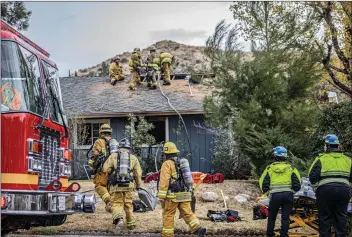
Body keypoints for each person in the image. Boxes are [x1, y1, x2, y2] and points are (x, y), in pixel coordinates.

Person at [157, 142, 206, 237]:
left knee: (168, 215)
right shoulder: (182, 162)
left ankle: (167, 235)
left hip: (173, 196)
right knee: (187, 213)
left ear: (166, 154)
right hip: (185, 194)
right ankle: (198, 228)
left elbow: (164, 181)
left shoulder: (166, 164)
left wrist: (162, 196)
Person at [309, 134, 352, 237]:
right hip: (343, 191)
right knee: (341, 218)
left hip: (325, 191)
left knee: (325, 219)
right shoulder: (348, 160)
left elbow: (312, 177)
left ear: (327, 146)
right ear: (337, 145)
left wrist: (317, 186)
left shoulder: (321, 158)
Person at [259, 146, 302, 237]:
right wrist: (292, 191)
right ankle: (284, 235)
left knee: (272, 217)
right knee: (285, 218)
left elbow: (263, 184)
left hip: (275, 196)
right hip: (288, 195)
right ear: (285, 157)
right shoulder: (291, 168)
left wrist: (267, 192)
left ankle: (270, 234)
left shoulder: (269, 168)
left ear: (275, 156)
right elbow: (298, 184)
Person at [103, 138, 143, 233]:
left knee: (117, 203)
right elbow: (138, 174)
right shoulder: (133, 157)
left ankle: (119, 220)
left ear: (119, 147)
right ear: (129, 147)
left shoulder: (113, 155)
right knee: (128, 204)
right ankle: (131, 224)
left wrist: (110, 174)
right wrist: (138, 185)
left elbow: (105, 169)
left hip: (116, 185)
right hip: (128, 185)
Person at [87, 124, 114, 213]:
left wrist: (92, 164)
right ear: (110, 132)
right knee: (110, 187)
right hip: (113, 170)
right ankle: (114, 204)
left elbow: (95, 155)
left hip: (102, 169)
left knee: (100, 186)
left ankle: (108, 202)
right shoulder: (115, 142)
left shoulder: (99, 141)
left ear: (101, 132)